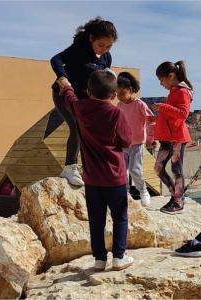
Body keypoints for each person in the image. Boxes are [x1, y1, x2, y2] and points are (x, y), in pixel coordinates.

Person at [56, 70, 133, 271]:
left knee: (96, 220)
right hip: (114, 177)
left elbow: (68, 96)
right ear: (114, 94)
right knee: (120, 217)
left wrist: (65, 84)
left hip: (91, 179)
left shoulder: (79, 108)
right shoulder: (116, 113)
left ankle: (99, 259)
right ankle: (119, 256)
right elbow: (126, 141)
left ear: (89, 92)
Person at [50, 17, 118, 187]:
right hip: (64, 94)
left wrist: (110, 90)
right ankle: (69, 167)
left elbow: (103, 77)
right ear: (91, 38)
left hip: (86, 99)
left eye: (109, 46)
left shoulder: (106, 58)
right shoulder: (79, 48)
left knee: (92, 131)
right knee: (76, 125)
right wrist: (62, 77)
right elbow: (56, 59)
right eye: (100, 45)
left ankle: (86, 167)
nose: (104, 49)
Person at [152, 61, 194, 214]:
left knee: (176, 169)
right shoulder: (174, 91)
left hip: (176, 138)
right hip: (166, 139)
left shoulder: (182, 91)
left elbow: (183, 114)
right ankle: (177, 196)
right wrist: (156, 118)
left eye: (161, 80)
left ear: (170, 76)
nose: (161, 84)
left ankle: (178, 201)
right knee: (158, 168)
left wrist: (162, 107)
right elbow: (172, 115)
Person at [116, 72, 155, 208]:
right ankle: (125, 193)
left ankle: (143, 191)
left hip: (137, 143)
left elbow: (151, 121)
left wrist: (150, 138)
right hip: (123, 143)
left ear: (131, 90)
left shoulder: (140, 104)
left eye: (122, 94)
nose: (119, 97)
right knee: (122, 170)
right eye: (117, 94)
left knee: (135, 170)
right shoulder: (120, 105)